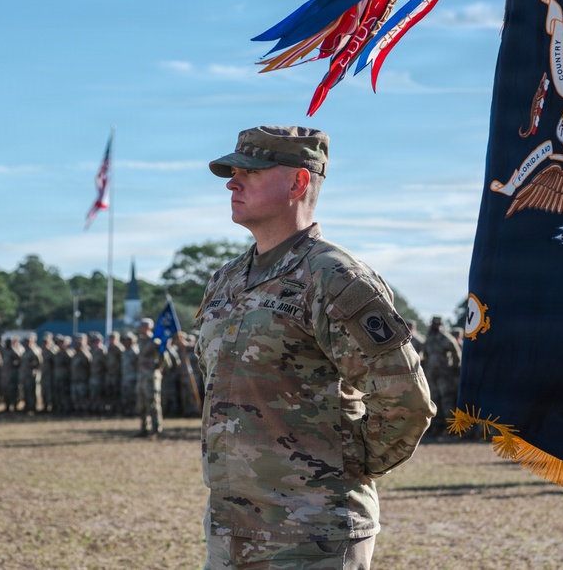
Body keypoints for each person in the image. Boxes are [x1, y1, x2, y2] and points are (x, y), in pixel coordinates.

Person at [194, 126, 434, 569]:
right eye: (232, 171)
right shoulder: (225, 279)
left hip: (312, 536)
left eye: (250, 170)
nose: (232, 181)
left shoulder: (333, 277)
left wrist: (342, 470)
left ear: (298, 182)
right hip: (232, 530)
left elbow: (406, 401)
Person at [422, 315, 462, 438]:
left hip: (443, 376)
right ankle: (436, 427)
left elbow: (457, 355)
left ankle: (452, 429)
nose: (436, 326)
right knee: (434, 401)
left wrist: (453, 368)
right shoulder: (429, 338)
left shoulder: (446, 339)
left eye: (438, 324)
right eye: (434, 324)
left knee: (446, 401)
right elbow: (425, 355)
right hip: (431, 375)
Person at [135, 318, 166, 437]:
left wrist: (159, 368)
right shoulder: (140, 340)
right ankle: (144, 428)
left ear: (148, 327)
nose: (139, 328)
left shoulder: (155, 341)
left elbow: (163, 355)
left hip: (151, 376)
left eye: (141, 326)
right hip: (141, 375)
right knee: (141, 403)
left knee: (153, 403)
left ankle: (156, 429)